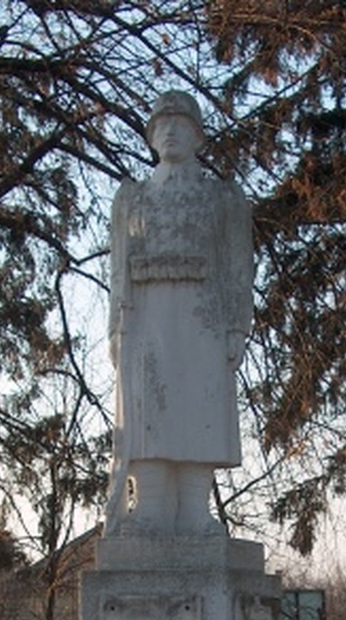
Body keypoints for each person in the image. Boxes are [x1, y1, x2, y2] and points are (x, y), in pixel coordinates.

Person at [105, 91, 253, 536]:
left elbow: (237, 266)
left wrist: (235, 326)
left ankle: (194, 512)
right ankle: (148, 509)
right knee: (147, 412)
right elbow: (117, 268)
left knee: (197, 408)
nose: (170, 131)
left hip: (202, 314)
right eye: (161, 124)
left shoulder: (222, 199)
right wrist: (115, 325)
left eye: (180, 123)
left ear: (198, 135)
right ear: (151, 136)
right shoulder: (132, 198)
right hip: (146, 315)